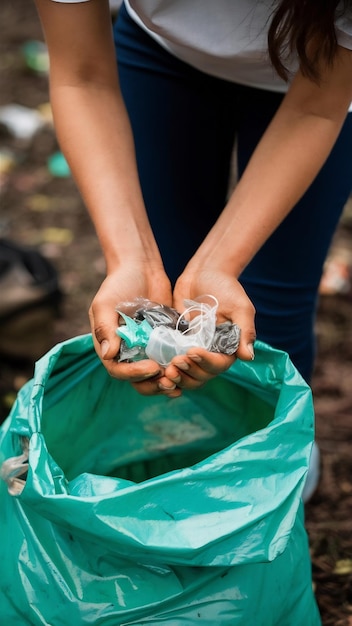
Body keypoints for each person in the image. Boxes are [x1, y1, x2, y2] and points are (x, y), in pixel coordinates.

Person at [34, 0, 352, 400]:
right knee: (161, 291)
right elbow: (82, 77)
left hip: (318, 86)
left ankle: (286, 455)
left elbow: (316, 111)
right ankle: (180, 446)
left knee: (270, 314)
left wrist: (220, 265)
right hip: (162, 54)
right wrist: (132, 259)